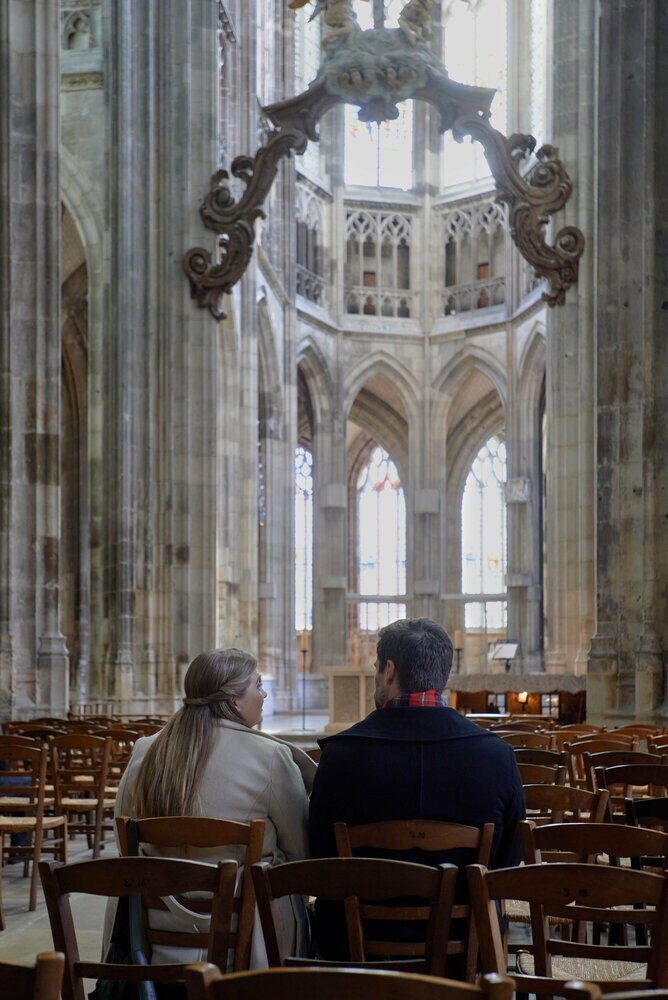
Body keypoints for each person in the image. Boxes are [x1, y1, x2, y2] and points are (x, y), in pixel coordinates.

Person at [308, 617, 525, 967]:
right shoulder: (497, 756)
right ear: (444, 676)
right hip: (463, 956)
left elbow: (320, 861)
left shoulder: (339, 756)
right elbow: (505, 864)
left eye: (376, 667)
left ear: (389, 671)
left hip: (356, 958)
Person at [109, 647, 316, 977]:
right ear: (234, 700)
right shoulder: (271, 757)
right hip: (249, 937)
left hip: (154, 932)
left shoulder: (146, 750)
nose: (263, 694)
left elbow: (125, 844)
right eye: (258, 684)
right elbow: (302, 855)